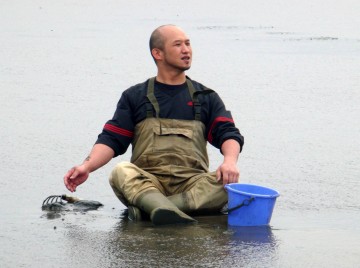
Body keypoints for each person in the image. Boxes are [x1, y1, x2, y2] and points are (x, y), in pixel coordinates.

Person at [64, 25, 244, 225]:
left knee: (228, 186)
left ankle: (153, 209)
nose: (186, 50)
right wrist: (86, 166)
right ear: (157, 53)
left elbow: (228, 133)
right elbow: (111, 139)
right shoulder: (135, 96)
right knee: (121, 171)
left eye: (188, 43)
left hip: (192, 184)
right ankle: (160, 205)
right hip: (147, 183)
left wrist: (229, 161)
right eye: (178, 45)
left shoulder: (206, 97)